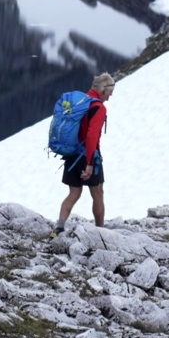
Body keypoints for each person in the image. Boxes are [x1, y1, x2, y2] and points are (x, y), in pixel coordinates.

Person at [52, 72, 114, 237]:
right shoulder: (98, 107)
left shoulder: (80, 102)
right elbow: (92, 135)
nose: (110, 96)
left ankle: (58, 228)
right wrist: (90, 163)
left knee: (74, 193)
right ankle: (100, 231)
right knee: (98, 193)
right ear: (103, 89)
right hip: (88, 154)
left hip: (72, 153)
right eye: (109, 92)